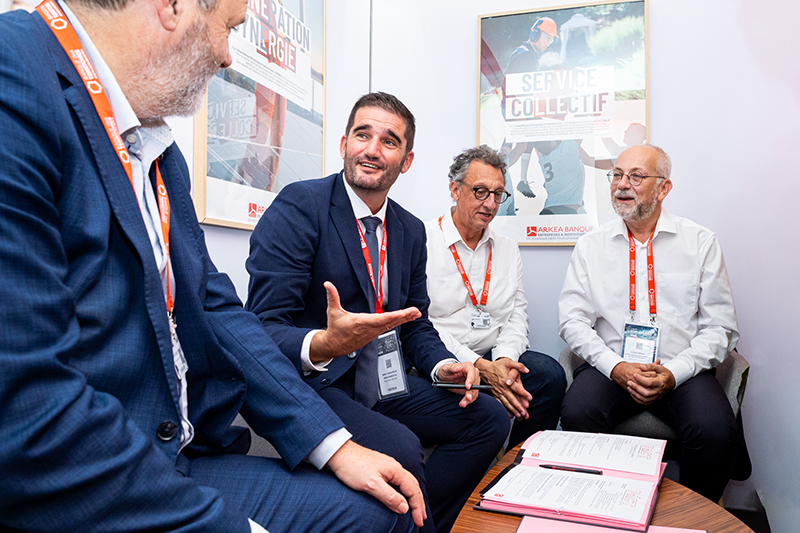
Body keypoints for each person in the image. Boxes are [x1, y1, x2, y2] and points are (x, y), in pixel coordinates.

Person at [0, 0, 426, 531]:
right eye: (228, 28)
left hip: (180, 450)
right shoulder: (15, 79)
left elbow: (215, 307)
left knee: (382, 510)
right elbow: (25, 405)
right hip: (90, 470)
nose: (226, 57)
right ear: (173, 7)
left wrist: (334, 446)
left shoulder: (155, 147)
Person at [246, 92, 510, 533]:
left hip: (385, 381)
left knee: (490, 418)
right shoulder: (301, 205)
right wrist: (323, 343)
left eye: (389, 141)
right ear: (344, 143)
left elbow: (416, 323)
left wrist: (444, 366)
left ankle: (421, 525)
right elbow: (261, 327)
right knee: (401, 449)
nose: (372, 149)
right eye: (362, 135)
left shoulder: (409, 230)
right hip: (317, 383)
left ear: (406, 161)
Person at [558, 144, 743, 502]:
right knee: (578, 413)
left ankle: (689, 518)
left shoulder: (700, 242)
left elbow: (721, 327)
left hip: (681, 370)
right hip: (612, 367)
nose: (621, 184)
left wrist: (673, 372)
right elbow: (572, 321)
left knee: (716, 431)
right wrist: (617, 367)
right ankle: (603, 508)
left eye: (636, 176)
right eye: (616, 175)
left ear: (663, 188)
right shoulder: (591, 245)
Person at [424, 146, 566, 451]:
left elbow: (516, 314)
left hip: (493, 354)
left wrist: (503, 361)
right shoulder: (422, 241)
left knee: (550, 376)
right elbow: (422, 324)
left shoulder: (507, 248)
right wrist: (476, 364)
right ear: (455, 190)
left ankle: (515, 462)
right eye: (480, 191)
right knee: (471, 397)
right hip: (443, 359)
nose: (490, 204)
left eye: (498, 194)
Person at [502, 17, 559, 198]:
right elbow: (525, 88)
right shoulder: (526, 55)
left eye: (551, 40)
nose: (548, 43)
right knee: (522, 143)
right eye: (547, 37)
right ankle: (498, 175)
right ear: (535, 34)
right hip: (517, 106)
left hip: (516, 105)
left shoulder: (524, 52)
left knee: (526, 140)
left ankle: (523, 180)